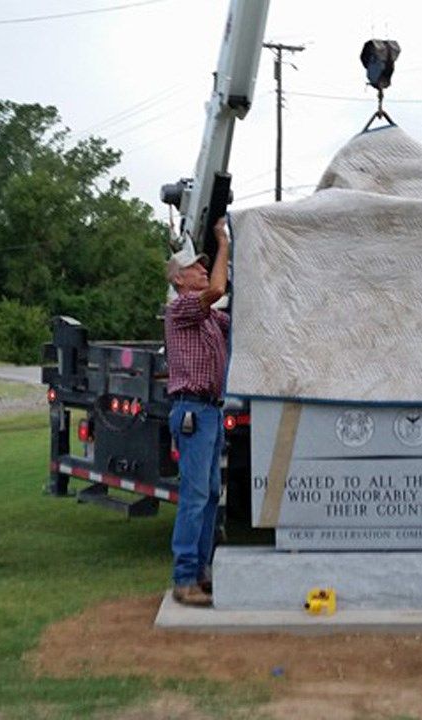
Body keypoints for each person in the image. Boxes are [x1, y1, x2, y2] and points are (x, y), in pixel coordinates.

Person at [163, 218, 231, 608]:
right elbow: (220, 288)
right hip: (194, 412)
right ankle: (185, 577)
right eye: (195, 267)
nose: (204, 270)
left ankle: (201, 571)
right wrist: (222, 243)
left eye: (205, 263)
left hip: (209, 412)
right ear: (179, 282)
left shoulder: (206, 317)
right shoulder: (181, 310)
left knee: (207, 496)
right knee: (194, 497)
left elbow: (239, 317)